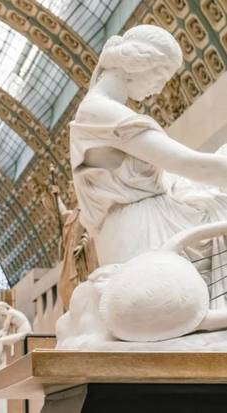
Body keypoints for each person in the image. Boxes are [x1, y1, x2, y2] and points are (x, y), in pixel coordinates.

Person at [69, 24, 227, 306]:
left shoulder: (100, 109)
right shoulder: (101, 111)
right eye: (161, 76)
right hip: (145, 231)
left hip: (142, 222)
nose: (159, 89)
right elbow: (190, 164)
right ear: (138, 64)